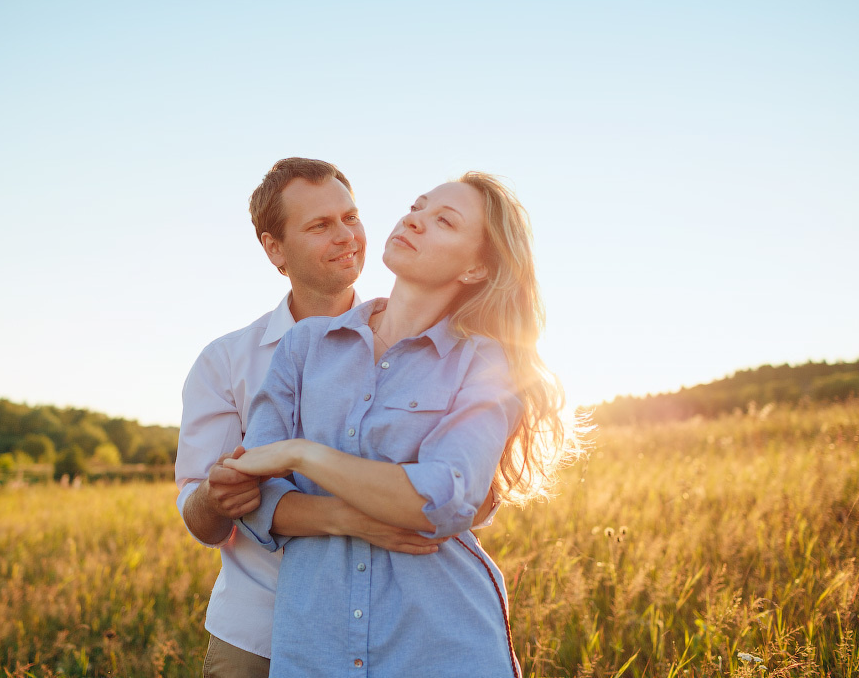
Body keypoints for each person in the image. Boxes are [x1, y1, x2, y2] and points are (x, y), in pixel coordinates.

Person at [226, 172, 576, 677]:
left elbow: (441, 500)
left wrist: (303, 455)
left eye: (443, 221)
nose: (414, 218)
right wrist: (357, 508)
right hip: (314, 648)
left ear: (477, 266)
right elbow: (252, 497)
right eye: (417, 206)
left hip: (441, 644)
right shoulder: (305, 349)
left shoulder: (486, 365)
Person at [175, 158, 445, 678]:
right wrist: (217, 497)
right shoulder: (225, 361)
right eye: (320, 225)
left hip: (394, 625)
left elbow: (452, 492)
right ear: (274, 247)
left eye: (350, 216)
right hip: (260, 630)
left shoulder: (419, 346)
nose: (346, 236)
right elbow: (201, 518)